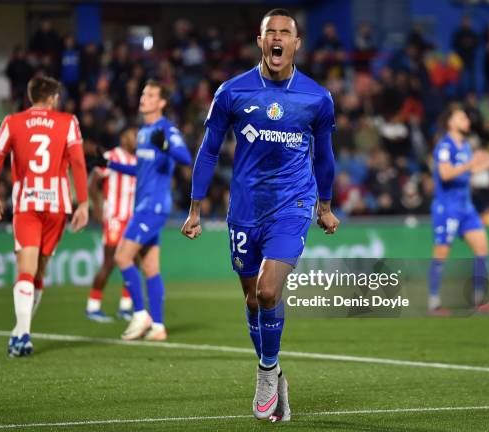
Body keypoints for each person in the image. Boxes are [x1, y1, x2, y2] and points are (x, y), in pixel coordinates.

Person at [181, 9, 338, 422]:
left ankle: (267, 371)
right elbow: (210, 148)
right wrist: (196, 206)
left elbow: (324, 156)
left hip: (293, 205)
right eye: (272, 32)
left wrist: (325, 204)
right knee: (252, 299)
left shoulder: (317, 98)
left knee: (269, 291)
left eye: (286, 32)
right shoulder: (232, 92)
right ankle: (276, 370)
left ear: (297, 43)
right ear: (260, 40)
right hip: (246, 210)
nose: (278, 38)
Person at [0, 76, 89, 357]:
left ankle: (22, 333)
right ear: (53, 98)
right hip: (57, 206)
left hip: (27, 204)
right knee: (39, 271)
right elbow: (78, 162)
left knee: (26, 270)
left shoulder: (12, 122)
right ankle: (21, 333)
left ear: (31, 96)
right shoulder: (68, 121)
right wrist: (84, 203)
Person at [106, 80, 192, 341]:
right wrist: (109, 163)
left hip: (153, 207)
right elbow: (140, 170)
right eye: (143, 93)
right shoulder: (143, 131)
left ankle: (140, 313)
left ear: (162, 102)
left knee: (122, 257)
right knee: (151, 267)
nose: (144, 98)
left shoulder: (165, 129)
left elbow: (186, 158)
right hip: (143, 206)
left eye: (151, 95)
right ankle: (157, 327)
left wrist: (166, 146)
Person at [428, 105, 489, 316]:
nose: (467, 120)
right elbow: (446, 174)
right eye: (461, 117)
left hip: (466, 208)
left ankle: (478, 300)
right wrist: (472, 163)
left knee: (482, 248)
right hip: (447, 207)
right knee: (441, 254)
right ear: (450, 122)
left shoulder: (464, 145)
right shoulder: (445, 146)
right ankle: (434, 303)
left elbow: (469, 170)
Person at [86, 127, 137, 322]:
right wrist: (97, 207)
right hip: (115, 217)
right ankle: (93, 306)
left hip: (132, 218)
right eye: (134, 135)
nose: (137, 139)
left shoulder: (138, 160)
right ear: (124, 137)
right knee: (109, 262)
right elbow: (93, 182)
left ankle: (125, 308)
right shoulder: (111, 156)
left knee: (133, 263)